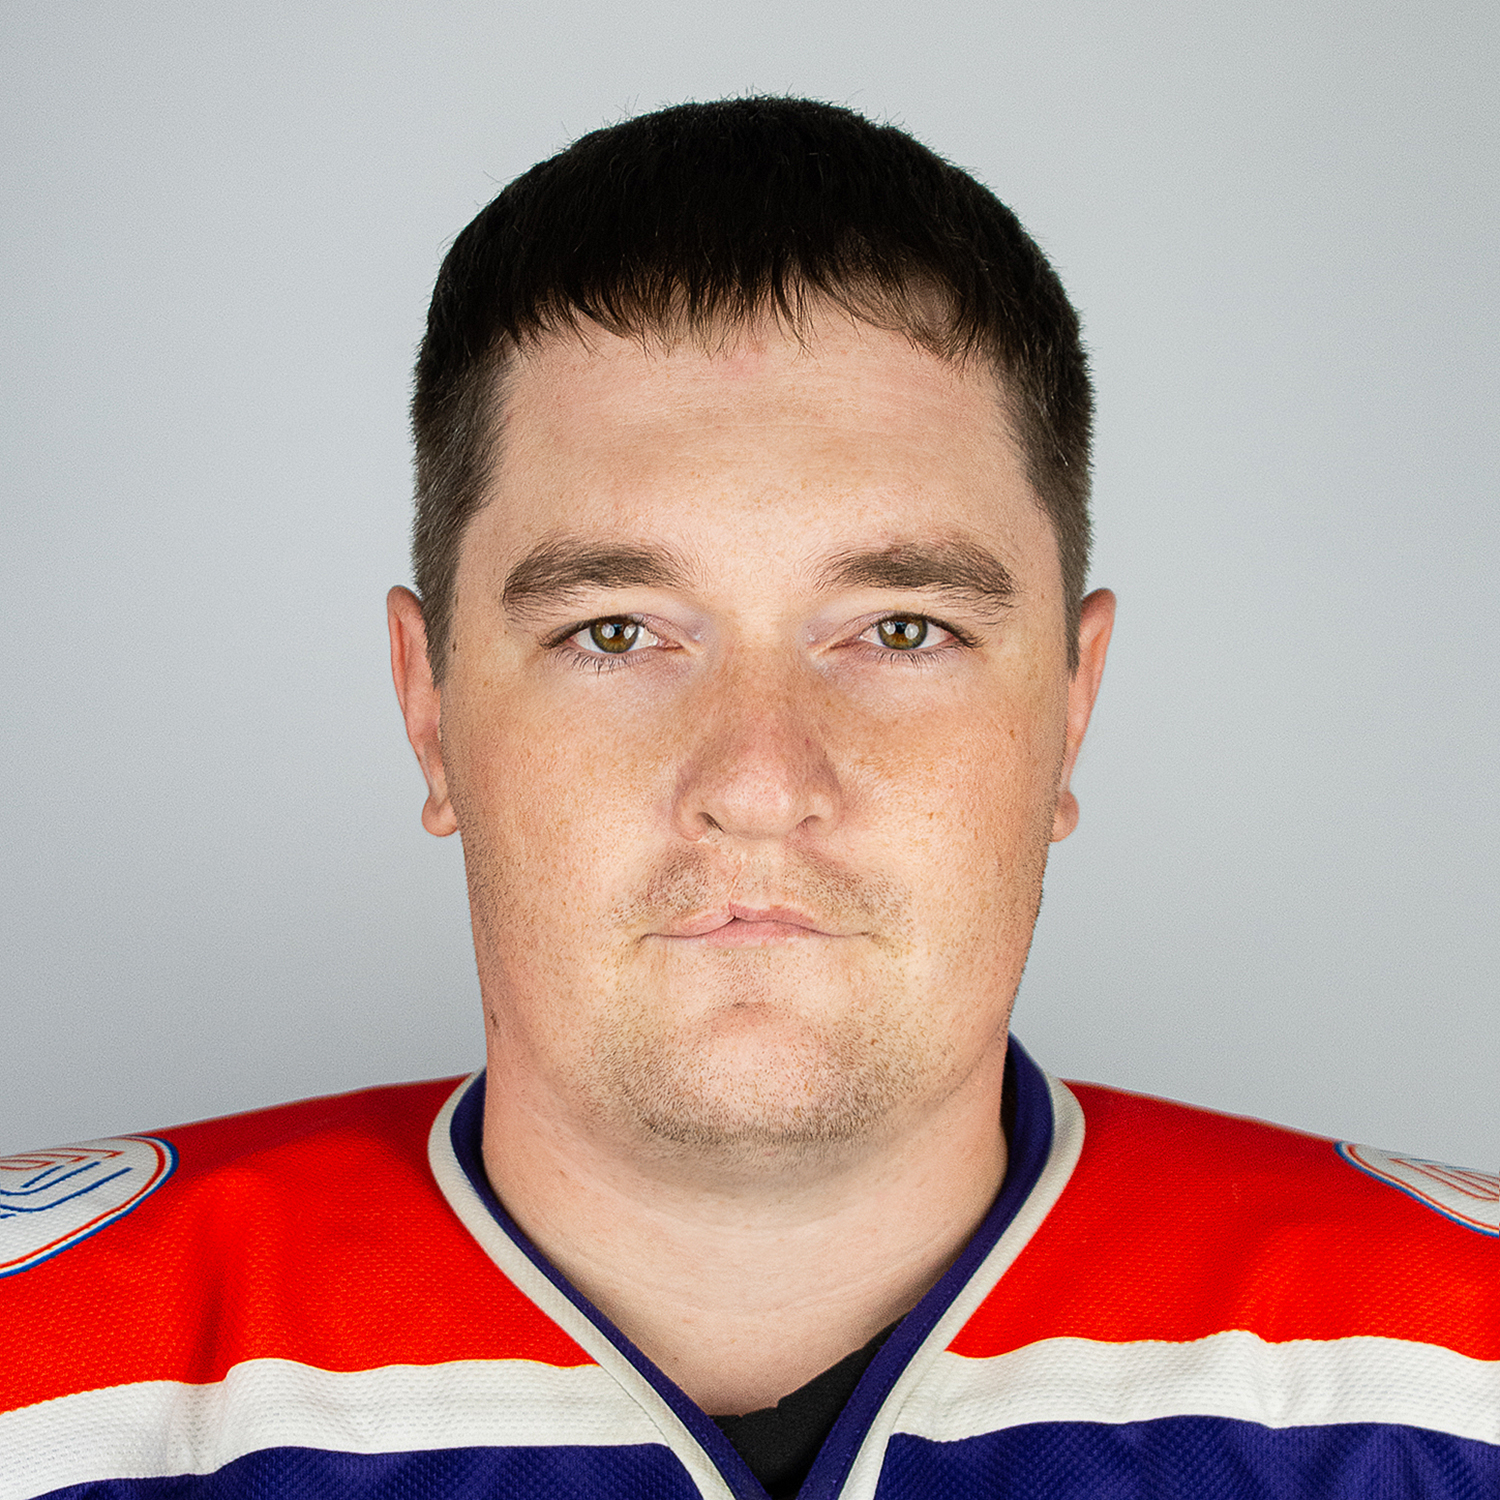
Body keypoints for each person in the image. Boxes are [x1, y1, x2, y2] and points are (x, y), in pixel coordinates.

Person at [2, 97, 1494, 1500]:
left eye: (902, 630)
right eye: (614, 632)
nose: (763, 783)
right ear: (429, 705)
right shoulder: (42, 1386)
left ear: (1072, 707)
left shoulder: (1455, 1373)